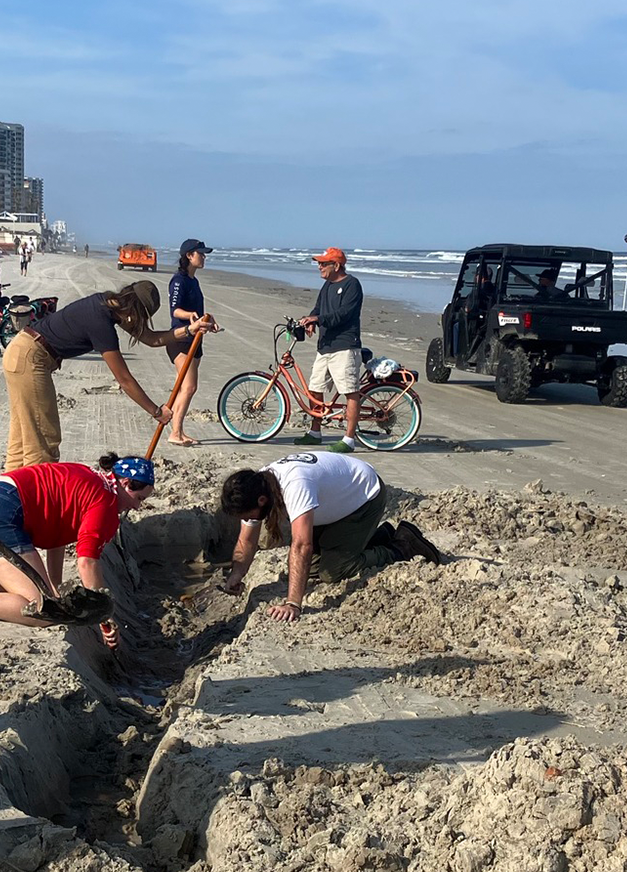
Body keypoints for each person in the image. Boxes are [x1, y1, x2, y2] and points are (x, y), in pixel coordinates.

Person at [0, 454, 157, 649]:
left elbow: (58, 533)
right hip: (0, 517)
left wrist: (54, 586)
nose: (136, 507)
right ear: (125, 484)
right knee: (43, 612)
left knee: (40, 592)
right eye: (139, 499)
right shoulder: (106, 503)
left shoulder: (91, 477)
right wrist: (105, 615)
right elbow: (88, 562)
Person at [0, 280, 213, 470]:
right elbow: (125, 380)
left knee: (22, 439)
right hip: (30, 358)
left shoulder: (107, 304)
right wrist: (156, 411)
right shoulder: (100, 322)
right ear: (133, 312)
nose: (139, 325)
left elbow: (151, 339)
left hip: (22, 352)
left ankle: (9, 494)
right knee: (44, 439)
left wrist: (189, 330)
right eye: (141, 318)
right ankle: (34, 504)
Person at [216, 451, 444, 622]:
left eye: (248, 515)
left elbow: (301, 545)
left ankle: (403, 547)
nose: (250, 519)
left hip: (364, 497)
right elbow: (247, 540)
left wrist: (293, 604)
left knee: (333, 571)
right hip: (336, 503)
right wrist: (237, 574)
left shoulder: (295, 485)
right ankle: (381, 536)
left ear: (261, 501)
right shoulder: (259, 486)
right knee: (312, 569)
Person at [292, 246, 365, 453]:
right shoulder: (326, 286)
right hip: (325, 346)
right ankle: (315, 433)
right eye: (319, 263)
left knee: (350, 391)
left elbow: (344, 314)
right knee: (315, 388)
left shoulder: (352, 285)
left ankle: (349, 440)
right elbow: (318, 309)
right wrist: (312, 319)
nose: (319, 267)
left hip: (345, 346)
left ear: (337, 265)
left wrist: (319, 319)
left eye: (324, 263)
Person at [164, 239, 216, 447]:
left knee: (185, 386)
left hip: (196, 339)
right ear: (189, 256)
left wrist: (208, 322)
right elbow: (174, 310)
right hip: (180, 338)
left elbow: (198, 314)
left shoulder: (194, 282)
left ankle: (177, 429)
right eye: (200, 254)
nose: (204, 257)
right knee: (189, 386)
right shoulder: (179, 281)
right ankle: (175, 432)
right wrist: (191, 315)